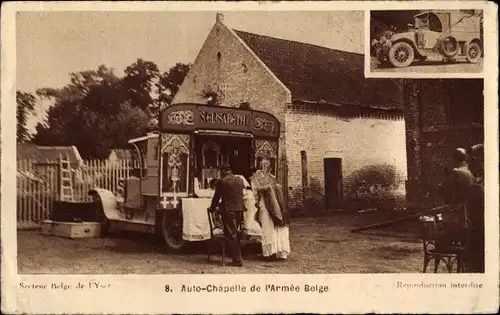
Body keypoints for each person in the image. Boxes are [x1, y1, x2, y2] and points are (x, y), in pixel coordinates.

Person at [250, 167, 291, 260]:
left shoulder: (255, 179)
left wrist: (257, 205)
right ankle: (280, 253)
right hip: (279, 206)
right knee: (279, 228)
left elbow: (256, 196)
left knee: (268, 228)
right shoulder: (272, 177)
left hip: (266, 206)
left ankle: (270, 254)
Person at [209, 164, 245, 267]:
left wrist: (212, 209)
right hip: (239, 210)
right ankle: (236, 257)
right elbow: (235, 195)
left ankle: (237, 260)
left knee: (231, 234)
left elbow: (216, 197)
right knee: (235, 233)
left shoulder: (222, 181)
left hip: (229, 211)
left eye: (220, 171)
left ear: (222, 171)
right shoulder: (239, 180)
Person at [464, 144, 484, 273]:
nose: (468, 166)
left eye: (469, 161)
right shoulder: (478, 180)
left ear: (475, 159)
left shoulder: (478, 185)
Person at [234, 174, 262, 238]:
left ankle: (251, 232)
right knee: (249, 218)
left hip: (249, 207)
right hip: (248, 207)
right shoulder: (248, 191)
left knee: (249, 218)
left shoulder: (244, 191)